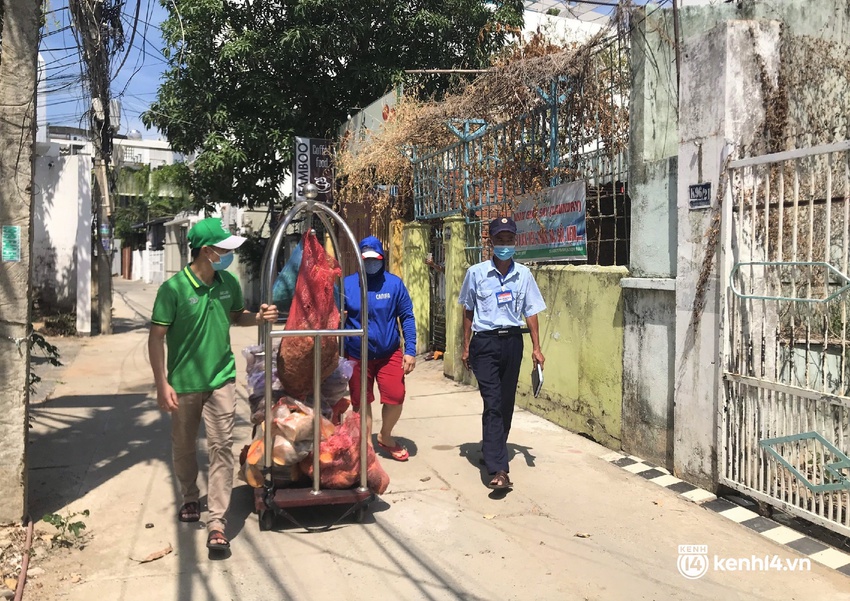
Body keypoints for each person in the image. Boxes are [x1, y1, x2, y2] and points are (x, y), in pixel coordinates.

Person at [148, 217, 278, 552]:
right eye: (223, 249)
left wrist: (258, 317)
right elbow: (156, 337)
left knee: (222, 448)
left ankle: (217, 522)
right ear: (207, 252)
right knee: (185, 445)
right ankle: (190, 497)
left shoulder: (228, 283)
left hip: (222, 379)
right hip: (184, 383)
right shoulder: (173, 289)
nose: (228, 254)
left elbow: (237, 317)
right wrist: (162, 384)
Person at [459, 216, 546, 490]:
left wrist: (537, 347)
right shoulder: (476, 273)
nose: (505, 245)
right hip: (484, 344)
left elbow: (530, 311)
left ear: (515, 241)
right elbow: (468, 311)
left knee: (505, 403)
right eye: (500, 240)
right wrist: (465, 346)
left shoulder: (524, 275)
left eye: (509, 239)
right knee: (494, 401)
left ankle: (490, 448)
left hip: (512, 343)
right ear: (491, 242)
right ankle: (499, 469)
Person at [343, 235, 417, 461]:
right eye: (366, 259)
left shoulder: (394, 284)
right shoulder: (347, 285)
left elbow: (406, 317)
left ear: (382, 258)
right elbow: (334, 318)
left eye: (375, 259)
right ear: (359, 259)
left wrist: (410, 350)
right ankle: (366, 448)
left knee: (395, 396)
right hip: (356, 355)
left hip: (389, 353)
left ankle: (385, 435)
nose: (370, 263)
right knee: (361, 401)